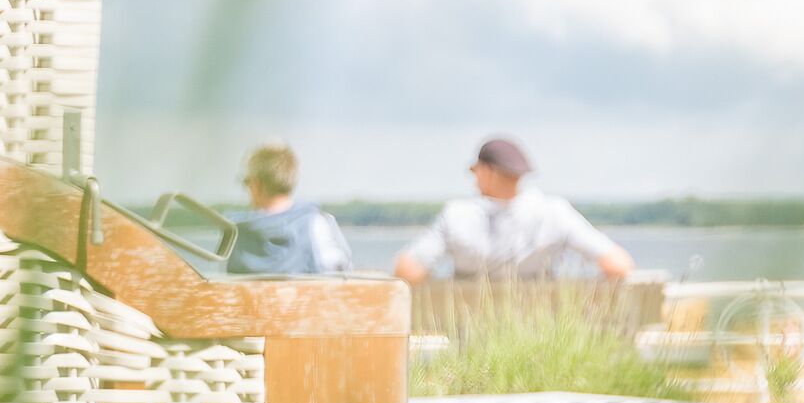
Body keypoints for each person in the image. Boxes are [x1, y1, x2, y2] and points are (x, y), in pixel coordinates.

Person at [387, 136, 635, 285]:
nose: (473, 181)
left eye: (475, 172)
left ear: (490, 172)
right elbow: (619, 265)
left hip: (468, 340)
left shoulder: (457, 216)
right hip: (538, 337)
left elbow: (407, 271)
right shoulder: (555, 214)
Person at [221, 141, 351, 277]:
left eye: (246, 182)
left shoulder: (235, 232)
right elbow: (340, 273)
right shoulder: (316, 224)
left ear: (257, 185)